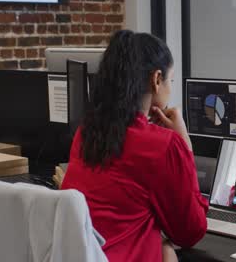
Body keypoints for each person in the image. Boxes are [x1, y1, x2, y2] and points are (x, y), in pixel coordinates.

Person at [61, 30, 208, 262]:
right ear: (156, 79)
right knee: (167, 249)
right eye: (170, 80)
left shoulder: (86, 131)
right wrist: (184, 145)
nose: (170, 87)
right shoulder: (162, 145)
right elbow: (191, 231)